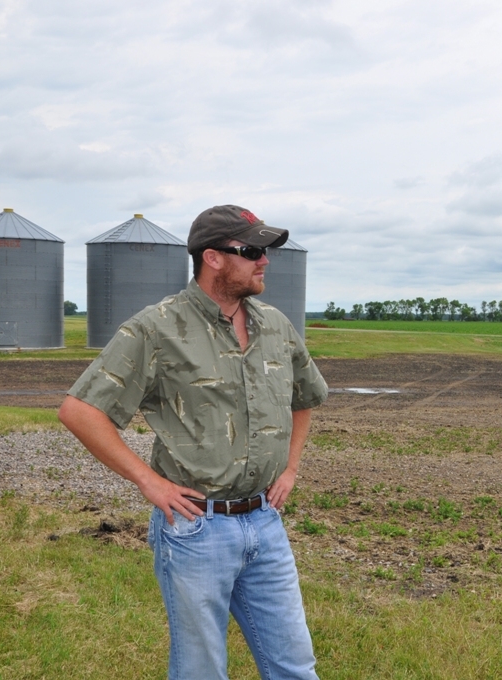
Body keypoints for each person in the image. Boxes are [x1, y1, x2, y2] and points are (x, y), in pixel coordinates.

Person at [58, 204, 328, 680]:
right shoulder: (156, 328)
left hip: (265, 522)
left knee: (295, 665)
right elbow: (80, 410)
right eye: (251, 251)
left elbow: (305, 396)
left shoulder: (276, 326)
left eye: (264, 250)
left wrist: (290, 468)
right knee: (201, 669)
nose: (264, 260)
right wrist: (148, 482)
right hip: (196, 528)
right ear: (213, 258)